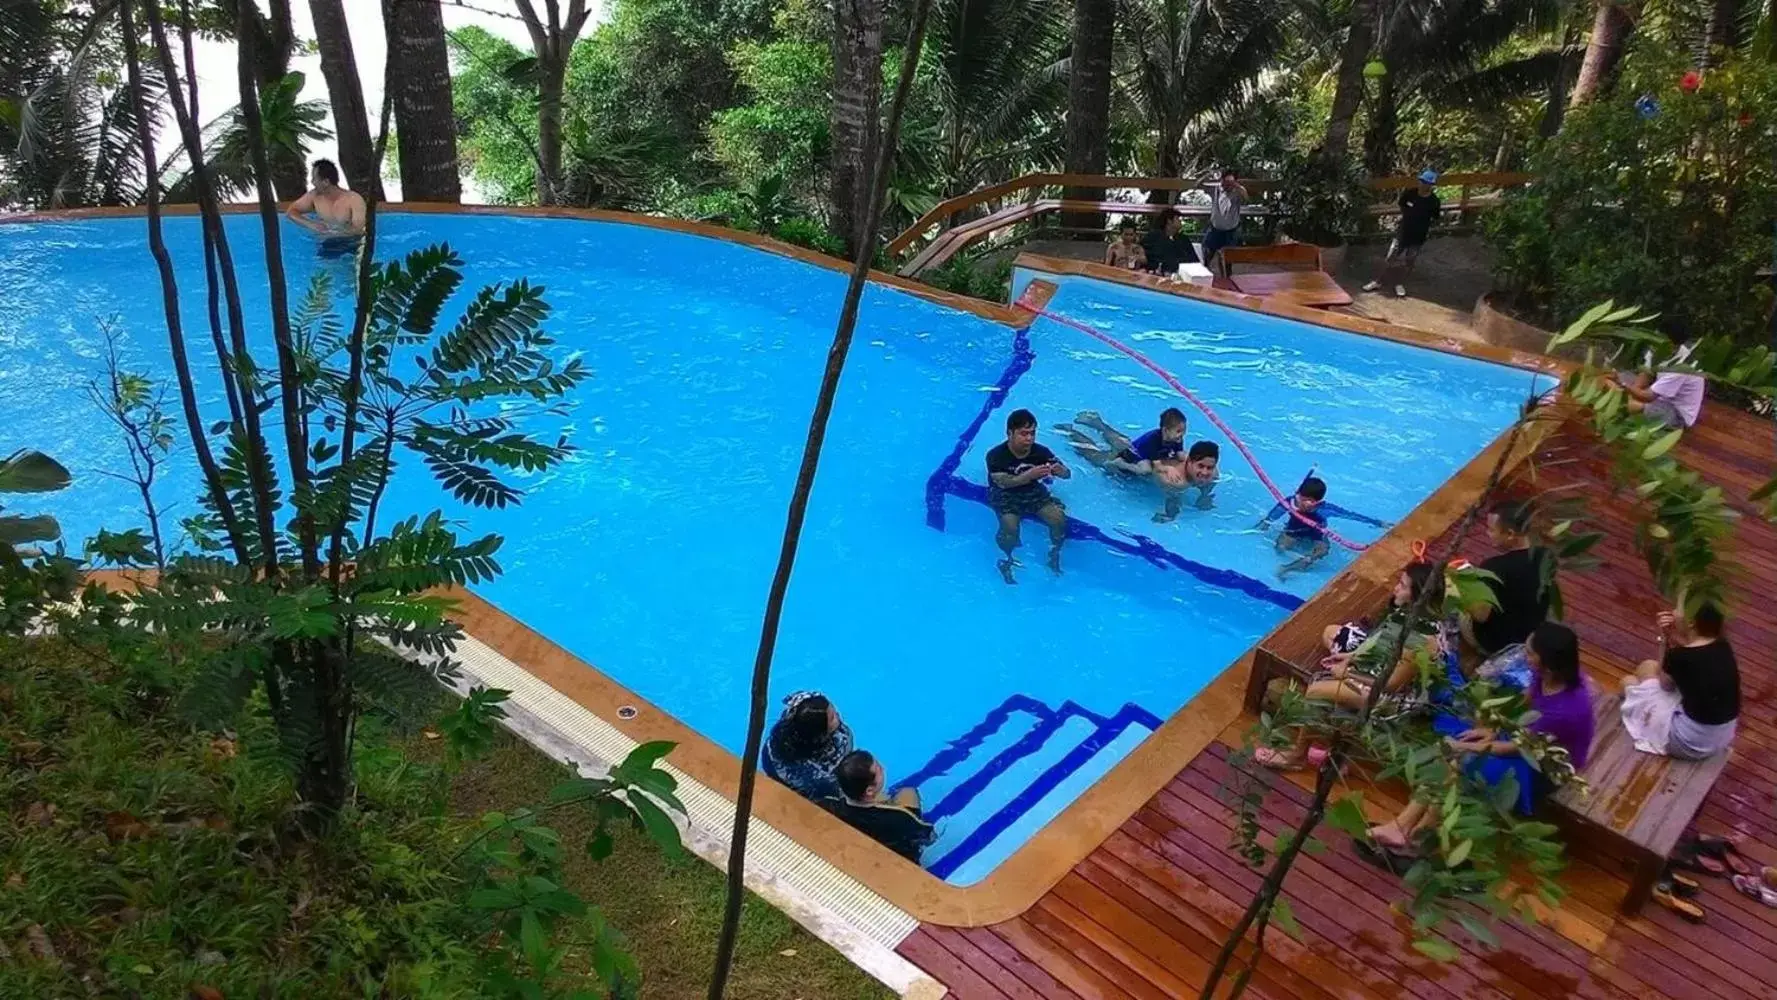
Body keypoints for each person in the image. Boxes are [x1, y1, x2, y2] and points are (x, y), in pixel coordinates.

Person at [1368, 622, 1594, 849]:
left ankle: (1417, 834)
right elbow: (1523, 701)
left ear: (1549, 665)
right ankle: (1404, 827)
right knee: (1454, 754)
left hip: (1541, 768)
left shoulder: (1565, 711)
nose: (1524, 656)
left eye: (1529, 653)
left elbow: (1517, 747)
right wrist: (1493, 729)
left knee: (1458, 759)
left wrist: (1464, 746)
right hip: (1526, 739)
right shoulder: (1547, 676)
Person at [1255, 561, 1447, 768]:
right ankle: (1323, 729)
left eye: (1402, 585)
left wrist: (1348, 674)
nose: (1395, 588)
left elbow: (1391, 685)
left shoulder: (1420, 641)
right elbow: (1383, 642)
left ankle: (1297, 755)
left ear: (1418, 594)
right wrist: (1352, 657)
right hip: (1382, 666)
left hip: (1394, 698)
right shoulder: (1409, 613)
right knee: (1330, 632)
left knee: (1316, 691)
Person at [1627, 602, 1739, 759]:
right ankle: (1636, 710)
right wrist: (1675, 636)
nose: (1673, 612)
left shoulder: (1680, 656)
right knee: (1648, 668)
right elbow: (1694, 656)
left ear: (1692, 622)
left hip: (1689, 743)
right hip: (1720, 736)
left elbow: (1664, 684)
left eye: (1678, 608)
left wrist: (1665, 639)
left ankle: (1633, 717)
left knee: (1630, 681)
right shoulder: (1722, 644)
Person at [986, 409, 1071, 584]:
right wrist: (1030, 475)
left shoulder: (1040, 452)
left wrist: (1060, 471)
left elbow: (1067, 474)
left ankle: (1054, 553)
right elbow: (1004, 483)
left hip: (1032, 492)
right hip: (1004, 495)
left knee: (1058, 519)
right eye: (1024, 434)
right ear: (1010, 433)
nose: (1029, 439)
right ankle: (1007, 558)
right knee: (1010, 527)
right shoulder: (996, 455)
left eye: (1032, 433)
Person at [1460, 499, 1552, 660]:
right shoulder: (1546, 556)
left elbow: (1481, 616)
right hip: (1528, 638)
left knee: (1457, 608)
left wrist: (1465, 586)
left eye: (1491, 530)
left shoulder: (1495, 568)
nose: (1487, 534)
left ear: (1510, 534)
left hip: (1495, 644)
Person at [823, 750, 936, 864]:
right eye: (879, 770)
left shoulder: (828, 805)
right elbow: (927, 835)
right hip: (897, 859)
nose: (884, 768)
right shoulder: (899, 816)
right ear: (869, 790)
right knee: (908, 793)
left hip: (859, 850)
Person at [761, 691, 852, 802]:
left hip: (770, 756)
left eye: (832, 708)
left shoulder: (800, 709)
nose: (837, 714)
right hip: (784, 774)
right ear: (820, 736)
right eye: (832, 718)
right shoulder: (816, 772)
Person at [1363, 169, 1441, 299]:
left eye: (1427, 183)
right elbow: (1402, 204)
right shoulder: (1410, 194)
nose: (1423, 184)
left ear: (1431, 185)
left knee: (1410, 260)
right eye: (1422, 181)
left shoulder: (1434, 201)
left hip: (1418, 235)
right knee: (1390, 257)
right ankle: (1377, 281)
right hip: (1403, 231)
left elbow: (1435, 216)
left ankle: (1400, 283)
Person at [1055, 408, 1186, 477]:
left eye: (1183, 430)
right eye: (1179, 431)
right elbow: (1147, 465)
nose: (1182, 434)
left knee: (1118, 439)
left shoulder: (1176, 438)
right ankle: (1071, 432)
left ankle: (1095, 421)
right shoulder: (1151, 440)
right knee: (1093, 453)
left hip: (1133, 447)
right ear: (1165, 430)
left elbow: (1180, 455)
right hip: (1126, 457)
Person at [285, 159, 367, 259]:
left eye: (315, 178)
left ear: (326, 182)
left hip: (353, 242)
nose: (312, 182)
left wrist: (332, 234)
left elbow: (359, 230)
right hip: (330, 242)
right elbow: (291, 212)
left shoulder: (354, 199)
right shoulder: (314, 196)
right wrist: (313, 225)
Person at [1258, 476, 1329, 579]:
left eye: (1310, 501)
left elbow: (1346, 514)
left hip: (1316, 534)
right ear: (1297, 494)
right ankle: (1283, 567)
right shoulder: (1290, 502)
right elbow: (1271, 518)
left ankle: (1287, 569)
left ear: (1318, 502)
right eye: (1301, 499)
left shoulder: (1322, 510)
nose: (1304, 504)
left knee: (1319, 553)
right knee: (1280, 548)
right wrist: (1263, 526)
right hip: (1293, 530)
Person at [1607, 367, 1706, 430]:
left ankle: (1613, 402)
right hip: (1656, 394)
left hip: (1676, 413)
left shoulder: (1681, 371)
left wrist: (1623, 385)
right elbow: (1647, 373)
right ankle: (1614, 399)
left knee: (1636, 405)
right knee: (1611, 376)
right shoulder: (1664, 354)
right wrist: (1634, 390)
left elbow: (1648, 397)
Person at [1201, 168, 1248, 272]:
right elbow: (1198, 185)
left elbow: (1246, 197)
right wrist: (1207, 174)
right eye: (1225, 181)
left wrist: (1236, 185)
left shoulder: (1237, 193)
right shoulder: (1216, 189)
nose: (1227, 185)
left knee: (1228, 259)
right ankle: (1205, 274)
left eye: (1230, 182)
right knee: (1207, 254)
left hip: (1230, 231)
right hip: (1215, 229)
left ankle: (1228, 277)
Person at [1142, 210, 1200, 276]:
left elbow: (1194, 260)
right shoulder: (1153, 237)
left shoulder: (1184, 239)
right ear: (1169, 221)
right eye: (1177, 219)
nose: (1180, 221)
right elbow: (1150, 258)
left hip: (1184, 274)